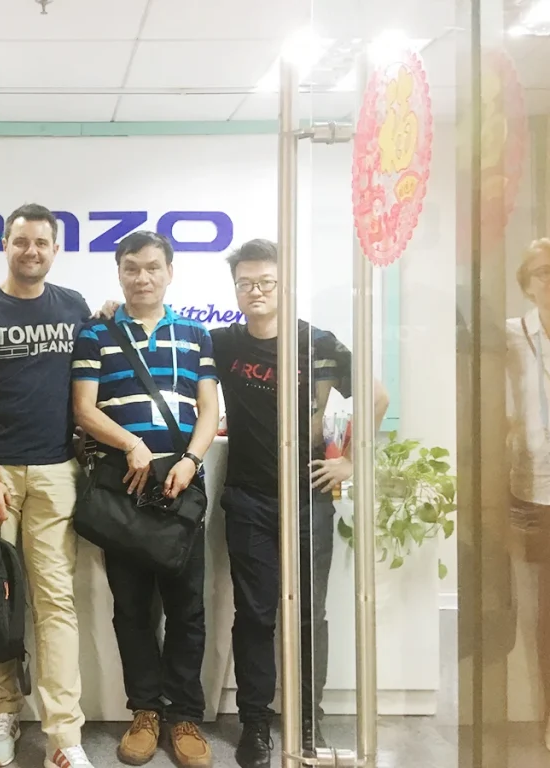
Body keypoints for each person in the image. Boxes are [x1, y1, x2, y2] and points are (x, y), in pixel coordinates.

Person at [209, 239, 388, 768]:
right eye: (246, 283)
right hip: (248, 499)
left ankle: (308, 720)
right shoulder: (223, 343)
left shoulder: (320, 343)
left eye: (266, 282)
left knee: (311, 613)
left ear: (284, 286)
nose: (256, 291)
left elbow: (375, 396)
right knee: (255, 614)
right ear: (236, 289)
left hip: (309, 499)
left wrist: (351, 461)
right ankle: (255, 723)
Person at [0, 203, 96, 768]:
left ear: (55, 249)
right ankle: (3, 712)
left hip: (57, 472)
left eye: (41, 242)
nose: (31, 251)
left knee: (55, 602)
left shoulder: (74, 306)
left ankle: (64, 736)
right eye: (20, 241)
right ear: (5, 245)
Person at [71, 231, 219, 768]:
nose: (142, 277)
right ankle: (145, 711)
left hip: (181, 482)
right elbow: (84, 408)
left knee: (187, 609)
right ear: (119, 272)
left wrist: (192, 460)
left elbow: (208, 410)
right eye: (131, 268)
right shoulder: (96, 333)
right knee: (131, 608)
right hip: (124, 486)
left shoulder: (196, 334)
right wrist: (131, 443)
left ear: (170, 272)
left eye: (153, 267)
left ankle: (184, 715)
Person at [505, 238, 550, 751]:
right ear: (527, 283)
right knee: (544, 617)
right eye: (543, 272)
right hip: (535, 491)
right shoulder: (513, 334)